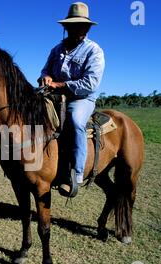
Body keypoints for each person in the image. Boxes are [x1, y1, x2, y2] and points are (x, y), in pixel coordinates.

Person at [38, 2, 105, 197]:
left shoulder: (94, 51)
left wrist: (61, 85)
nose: (79, 29)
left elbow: (90, 83)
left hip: (81, 98)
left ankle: (75, 175)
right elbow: (46, 70)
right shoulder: (56, 49)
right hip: (54, 95)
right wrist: (46, 77)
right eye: (74, 25)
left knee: (75, 121)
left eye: (82, 25)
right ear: (66, 27)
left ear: (87, 27)